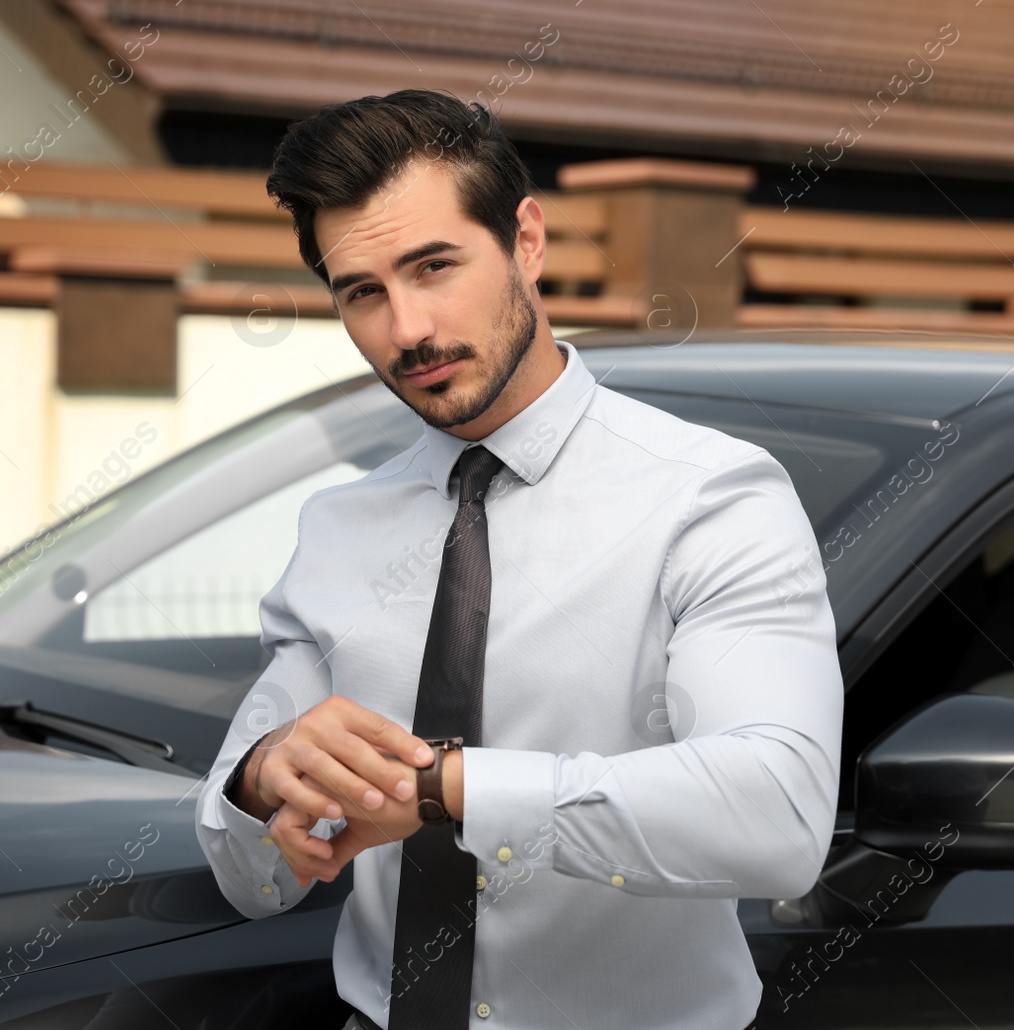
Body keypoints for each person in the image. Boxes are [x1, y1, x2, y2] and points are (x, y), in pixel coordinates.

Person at [195, 88, 842, 1030]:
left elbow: (778, 816)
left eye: (434, 266)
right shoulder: (339, 527)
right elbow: (254, 880)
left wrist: (445, 789)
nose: (406, 329)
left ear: (525, 241)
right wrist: (262, 783)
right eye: (362, 292)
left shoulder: (709, 495)